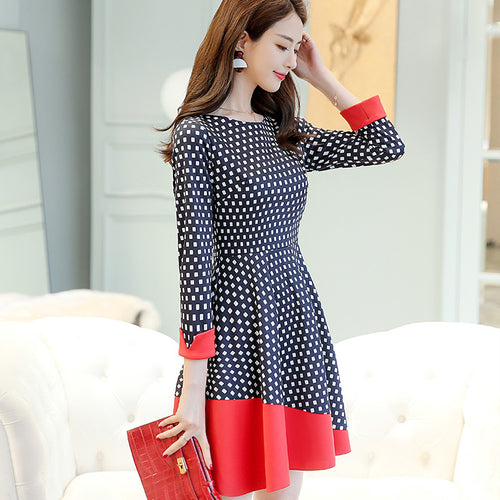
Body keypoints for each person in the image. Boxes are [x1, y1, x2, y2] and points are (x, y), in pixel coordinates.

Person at [155, 0, 405, 498]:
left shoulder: (284, 131)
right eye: (282, 46)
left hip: (291, 318)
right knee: (223, 480)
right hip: (233, 328)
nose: (291, 60)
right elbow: (195, 265)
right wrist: (193, 392)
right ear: (241, 40)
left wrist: (322, 76)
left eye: (297, 49)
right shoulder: (198, 135)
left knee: (285, 487)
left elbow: (384, 145)